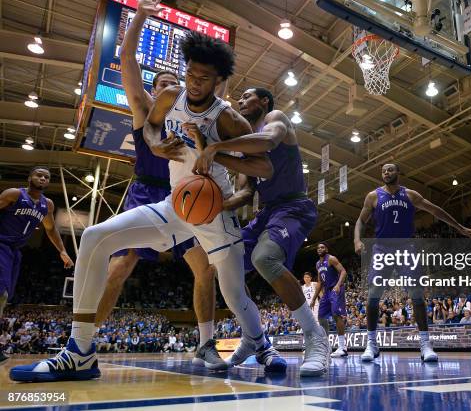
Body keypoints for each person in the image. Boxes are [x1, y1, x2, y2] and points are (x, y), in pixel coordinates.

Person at [9, 32, 284, 382]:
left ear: (219, 80)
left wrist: (215, 151)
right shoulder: (171, 96)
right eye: (190, 75)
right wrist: (155, 146)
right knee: (95, 237)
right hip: (176, 205)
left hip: (215, 214)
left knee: (233, 293)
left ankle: (262, 343)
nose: (194, 84)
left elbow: (264, 168)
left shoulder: (228, 119)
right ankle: (79, 352)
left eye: (203, 79)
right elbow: (152, 128)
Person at [96, 0, 221, 368]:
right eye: (163, 83)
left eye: (174, 84)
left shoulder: (194, 113)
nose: (170, 89)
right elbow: (127, 59)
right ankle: (84, 341)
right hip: (146, 193)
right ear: (155, 91)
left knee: (205, 269)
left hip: (183, 196)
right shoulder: (144, 111)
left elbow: (219, 88)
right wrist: (138, 17)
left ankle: (207, 343)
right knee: (120, 266)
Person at [192, 87, 329, 377]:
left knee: (264, 258)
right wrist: (213, 208)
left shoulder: (275, 119)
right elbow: (244, 192)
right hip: (266, 213)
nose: (240, 101)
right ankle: (252, 337)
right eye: (238, 98)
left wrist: (215, 149)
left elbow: (268, 142)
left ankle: (315, 335)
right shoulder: (244, 149)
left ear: (264, 101)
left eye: (246, 96)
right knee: (224, 264)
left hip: (293, 207)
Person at [354, 163, 471, 363]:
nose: (386, 172)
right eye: (383, 170)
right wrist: (356, 240)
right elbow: (361, 221)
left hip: (406, 247)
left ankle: (425, 344)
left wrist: (459, 227)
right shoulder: (373, 196)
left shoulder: (410, 195)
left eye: (390, 170)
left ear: (398, 173)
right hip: (382, 248)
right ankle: (371, 343)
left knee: (416, 293)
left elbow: (435, 211)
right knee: (373, 294)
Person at [0, 167, 74, 363]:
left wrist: (62, 250)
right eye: (38, 175)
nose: (42, 178)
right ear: (29, 177)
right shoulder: (14, 194)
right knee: (1, 294)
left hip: (16, 251)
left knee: (6, 296)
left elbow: (50, 229)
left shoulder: (46, 205)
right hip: (2, 244)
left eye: (46, 177)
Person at [310, 243, 348, 357]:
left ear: (326, 249)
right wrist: (313, 298)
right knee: (321, 317)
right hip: (326, 292)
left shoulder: (331, 258)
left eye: (322, 247)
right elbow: (320, 282)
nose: (320, 249)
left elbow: (343, 271)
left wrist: (338, 284)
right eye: (318, 248)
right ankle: (327, 346)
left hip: (336, 288)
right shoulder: (318, 264)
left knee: (336, 315)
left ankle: (342, 348)